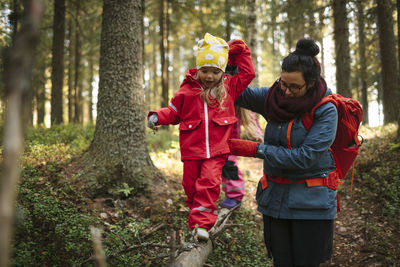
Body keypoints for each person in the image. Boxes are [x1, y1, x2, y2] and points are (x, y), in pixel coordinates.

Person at [228, 38, 338, 266]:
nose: (286, 92)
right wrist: (231, 66)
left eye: (294, 87)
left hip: (312, 207)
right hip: (276, 201)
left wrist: (257, 150)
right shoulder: (272, 98)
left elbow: (306, 157)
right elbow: (237, 93)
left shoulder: (326, 109)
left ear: (311, 82)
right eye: (283, 83)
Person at [147, 33, 255, 241]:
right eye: (205, 70)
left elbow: (248, 74)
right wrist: (157, 116)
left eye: (215, 71)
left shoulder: (228, 88)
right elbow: (173, 113)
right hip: (191, 150)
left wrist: (241, 50)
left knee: (209, 183)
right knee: (190, 185)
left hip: (216, 151)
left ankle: (201, 225)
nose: (209, 76)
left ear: (222, 71)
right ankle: (198, 212)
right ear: (198, 69)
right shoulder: (186, 92)